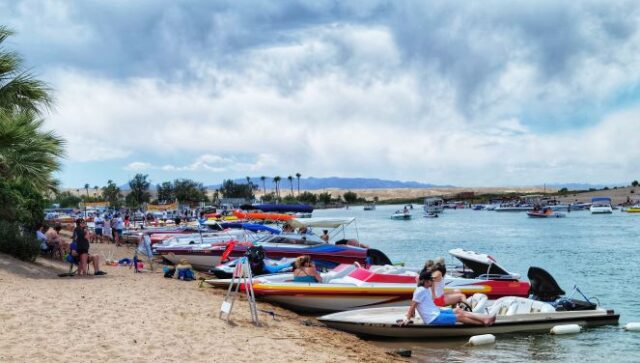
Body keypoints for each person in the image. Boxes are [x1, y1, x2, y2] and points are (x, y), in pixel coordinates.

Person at [400, 270, 495, 326]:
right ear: (425, 281)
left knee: (458, 310)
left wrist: (411, 315)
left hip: (436, 312)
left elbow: (418, 280)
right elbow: (413, 305)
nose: (432, 282)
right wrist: (407, 318)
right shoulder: (420, 290)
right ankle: (482, 323)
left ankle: (484, 318)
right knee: (459, 316)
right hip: (433, 318)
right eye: (430, 281)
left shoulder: (423, 288)